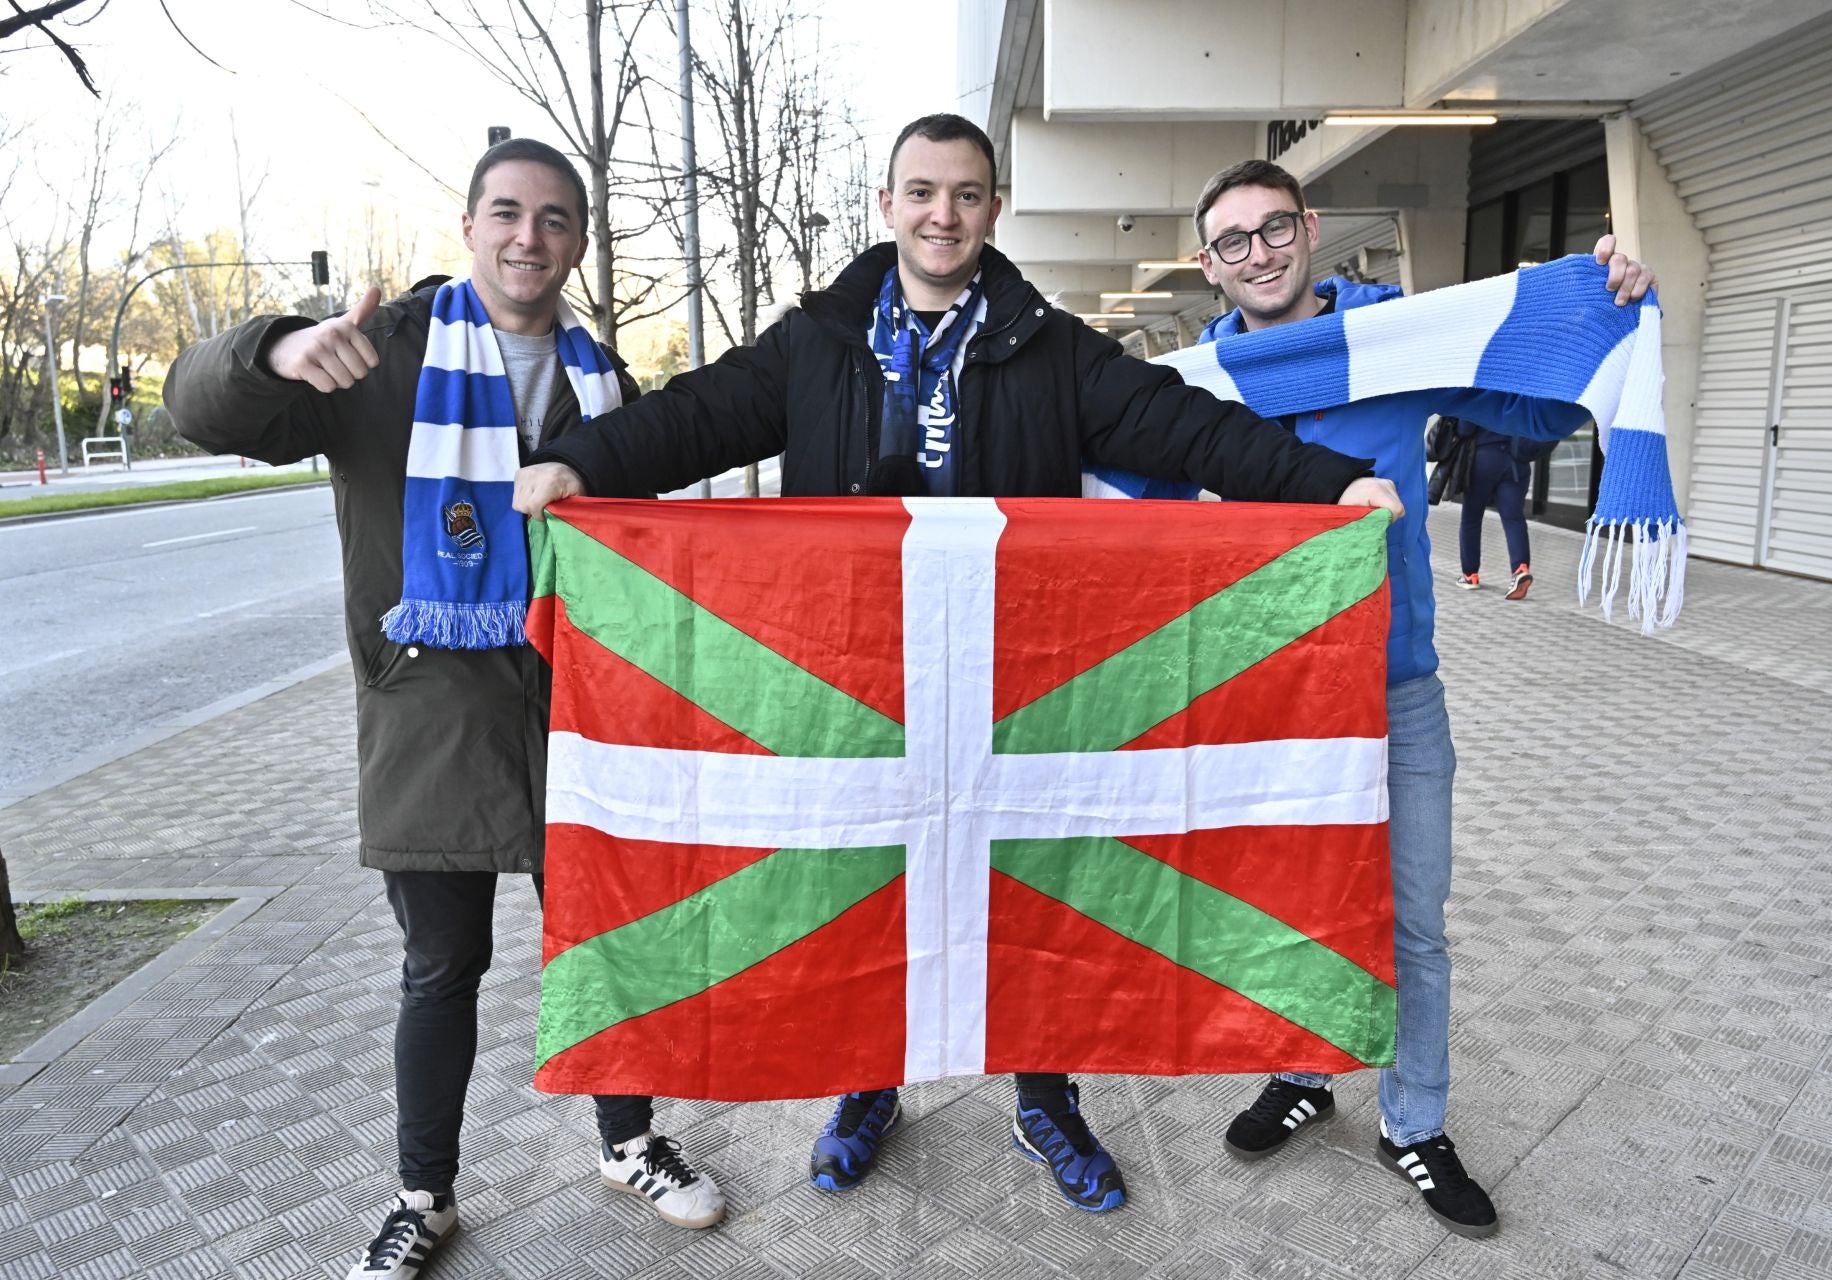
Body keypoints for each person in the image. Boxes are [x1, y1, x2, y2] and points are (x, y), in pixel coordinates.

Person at [513, 113, 1403, 1216]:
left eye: (968, 193)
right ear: (886, 206)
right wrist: (576, 462)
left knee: (1028, 895)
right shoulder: (820, 341)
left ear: (994, 207)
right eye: (923, 192)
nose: (944, 213)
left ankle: (1045, 1097)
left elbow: (1189, 429)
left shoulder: (1049, 343)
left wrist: (1327, 486)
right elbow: (695, 418)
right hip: (853, 694)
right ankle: (865, 1086)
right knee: (859, 893)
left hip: (1014, 691)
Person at [163, 139, 726, 1280]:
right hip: (434, 716)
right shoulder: (380, 358)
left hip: (584, 713)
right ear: (470, 226)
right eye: (508, 213)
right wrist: (274, 346)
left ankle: (628, 1141)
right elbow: (198, 407)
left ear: (578, 240)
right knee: (441, 967)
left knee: (611, 947)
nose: (531, 237)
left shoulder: (600, 375)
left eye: (557, 219)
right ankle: (423, 1193)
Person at [1190, 158, 1653, 1239]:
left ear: (1310, 231)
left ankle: (1416, 1119)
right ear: (1207, 264)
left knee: (1413, 919)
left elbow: (1528, 413)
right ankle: (1302, 1069)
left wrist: (1599, 304)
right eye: (1232, 240)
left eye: (1273, 229)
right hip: (1267, 704)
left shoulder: (1390, 333)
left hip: (1394, 687)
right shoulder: (1192, 381)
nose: (1257, 253)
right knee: (1288, 908)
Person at [1454, 420, 1556, 599]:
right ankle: (1520, 569)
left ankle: (1470, 575)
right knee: (1514, 518)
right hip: (1517, 461)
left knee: (1471, 518)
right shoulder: (1520, 391)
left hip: (1483, 458)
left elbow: (1465, 429)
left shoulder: (1482, 391)